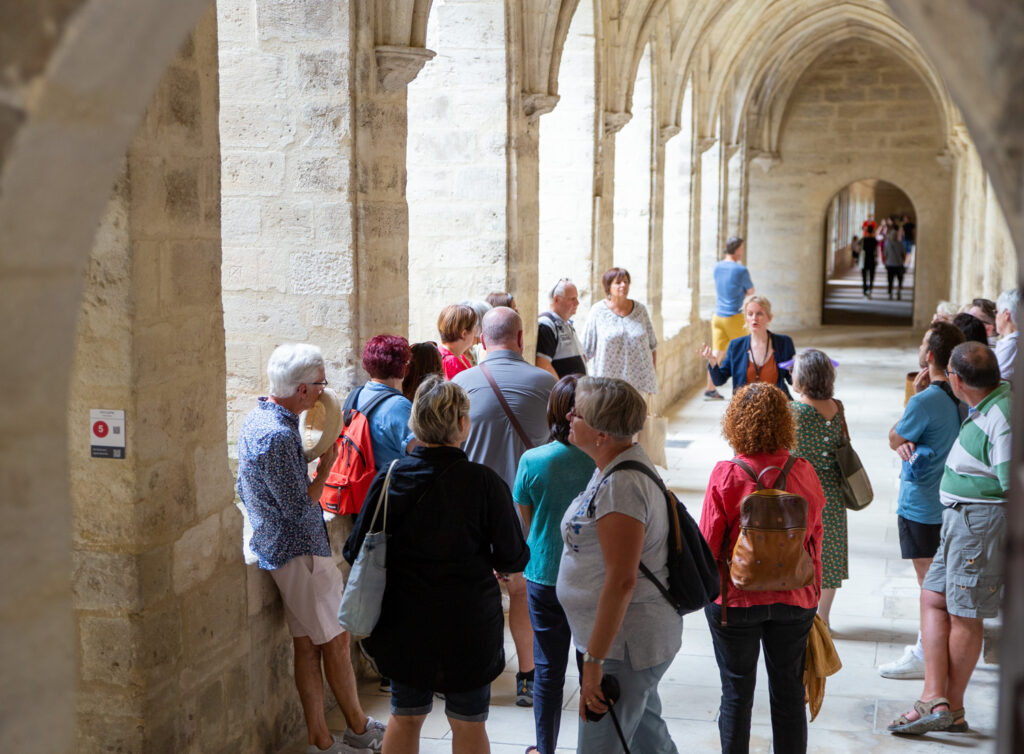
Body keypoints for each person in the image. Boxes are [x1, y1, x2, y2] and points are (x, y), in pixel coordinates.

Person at [343, 375, 529, 753]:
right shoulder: (485, 482)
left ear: (416, 422)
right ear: (462, 423)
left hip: (404, 620)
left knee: (405, 716)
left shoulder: (390, 477)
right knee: (468, 721)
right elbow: (512, 557)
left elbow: (355, 549)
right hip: (469, 623)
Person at [236, 343, 385, 754]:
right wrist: (326, 467)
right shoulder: (279, 435)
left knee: (306, 645)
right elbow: (299, 507)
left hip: (281, 548)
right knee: (336, 640)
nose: (324, 390)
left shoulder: (256, 419)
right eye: (320, 383)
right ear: (302, 390)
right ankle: (358, 729)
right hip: (299, 551)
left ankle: (321, 739)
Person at [889, 342, 1011, 735]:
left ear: (956, 380)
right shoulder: (988, 404)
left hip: (979, 525)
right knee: (933, 596)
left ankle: (951, 709)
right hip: (960, 522)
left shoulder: (1003, 417)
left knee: (964, 613)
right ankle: (934, 697)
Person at [557, 376, 682, 753]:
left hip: (624, 647)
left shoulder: (621, 486)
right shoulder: (612, 465)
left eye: (577, 413)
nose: (568, 416)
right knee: (649, 742)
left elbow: (622, 580)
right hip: (624, 643)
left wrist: (594, 662)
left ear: (601, 434)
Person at [699, 383, 825, 754]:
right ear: (785, 422)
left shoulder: (727, 474)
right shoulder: (803, 471)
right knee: (788, 694)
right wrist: (813, 592)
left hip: (735, 601)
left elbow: (708, 545)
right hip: (795, 597)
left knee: (736, 694)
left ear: (735, 423)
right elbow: (815, 536)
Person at [453, 307, 557, 707]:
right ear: (521, 339)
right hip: (527, 512)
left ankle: (469, 672)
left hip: (474, 512)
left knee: (471, 595)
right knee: (522, 593)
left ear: (481, 341)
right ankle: (527, 677)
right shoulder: (546, 385)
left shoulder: (460, 384)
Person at [513, 375, 596, 754]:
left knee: (547, 669)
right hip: (591, 576)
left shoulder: (533, 460)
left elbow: (529, 521)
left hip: (545, 572)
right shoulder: (601, 460)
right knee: (591, 666)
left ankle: (544, 749)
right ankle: (592, 748)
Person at [878, 322, 964, 680]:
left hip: (922, 505)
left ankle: (925, 656)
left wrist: (914, 400)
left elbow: (894, 437)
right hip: (951, 501)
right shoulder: (962, 395)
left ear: (929, 355)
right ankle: (930, 649)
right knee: (940, 581)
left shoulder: (924, 400)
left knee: (929, 585)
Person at [790, 349, 847, 628]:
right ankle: (823, 619)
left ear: (803, 377)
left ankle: (800, 615)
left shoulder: (794, 411)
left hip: (800, 491)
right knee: (829, 553)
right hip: (832, 493)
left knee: (797, 550)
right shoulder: (838, 407)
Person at [700, 294, 796, 398]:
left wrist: (799, 369)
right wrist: (712, 360)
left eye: (759, 313)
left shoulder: (784, 342)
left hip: (777, 404)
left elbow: (792, 381)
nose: (754, 318)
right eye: (750, 314)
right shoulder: (736, 346)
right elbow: (719, 380)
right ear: (746, 318)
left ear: (769, 317)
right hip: (745, 405)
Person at [581, 267, 658, 395]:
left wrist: (652, 376)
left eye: (626, 282)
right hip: (607, 386)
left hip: (639, 384)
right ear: (608, 287)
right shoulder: (597, 311)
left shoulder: (640, 310)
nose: (623, 285)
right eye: (618, 282)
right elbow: (585, 349)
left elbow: (652, 346)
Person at [702, 237, 755, 400]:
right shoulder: (740, 270)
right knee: (745, 351)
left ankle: (710, 390)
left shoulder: (717, 267)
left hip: (717, 316)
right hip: (734, 316)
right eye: (742, 249)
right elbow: (751, 291)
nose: (742, 252)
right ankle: (745, 390)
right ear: (737, 250)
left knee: (716, 353)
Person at [353, 335, 417, 470]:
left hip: (357, 479)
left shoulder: (355, 395)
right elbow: (421, 453)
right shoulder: (399, 406)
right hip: (389, 481)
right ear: (400, 367)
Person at [536, 278, 587, 379]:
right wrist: (561, 387)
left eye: (576, 298)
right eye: (572, 299)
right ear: (556, 299)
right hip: (564, 388)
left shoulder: (567, 323)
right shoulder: (547, 324)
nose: (577, 303)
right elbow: (543, 364)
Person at [437, 304, 477, 380]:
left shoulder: (457, 355)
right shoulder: (451, 362)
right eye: (473, 329)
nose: (475, 333)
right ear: (464, 334)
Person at [994, 287, 1019, 380]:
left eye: (997, 312)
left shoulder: (1012, 345)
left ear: (1006, 314)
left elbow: (998, 381)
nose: (996, 316)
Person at [883, 218, 907, 300]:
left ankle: (890, 293)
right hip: (898, 264)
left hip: (890, 264)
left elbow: (885, 254)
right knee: (899, 279)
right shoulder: (900, 244)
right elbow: (903, 254)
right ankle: (899, 291)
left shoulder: (887, 244)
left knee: (890, 280)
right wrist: (902, 262)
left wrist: (885, 262)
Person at [856, 233, 878, 298]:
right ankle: (870, 290)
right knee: (871, 276)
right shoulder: (874, 240)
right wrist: (876, 259)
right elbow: (876, 251)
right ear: (872, 232)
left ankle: (865, 290)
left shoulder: (863, 239)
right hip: (871, 259)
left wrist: (858, 257)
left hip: (864, 260)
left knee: (864, 276)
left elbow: (858, 249)